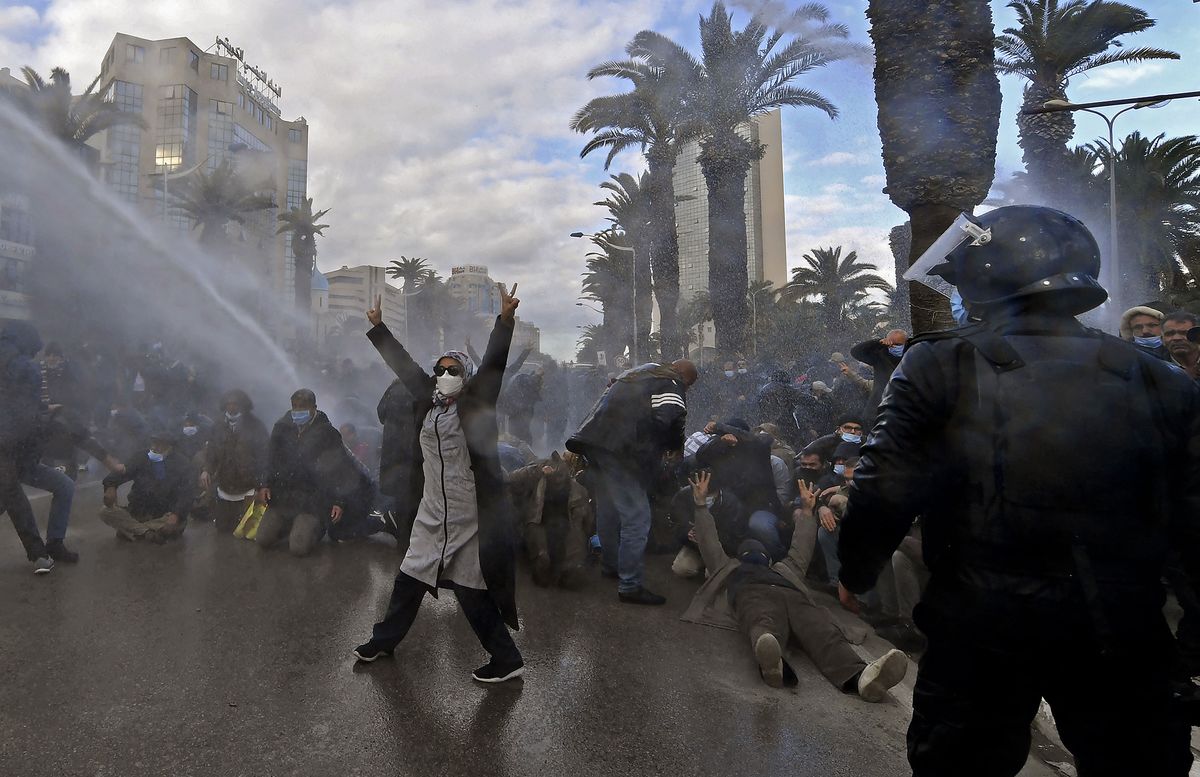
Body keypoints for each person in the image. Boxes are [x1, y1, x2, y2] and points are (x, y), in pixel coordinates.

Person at [838, 205, 1200, 776]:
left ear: (987, 278)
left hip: (981, 623)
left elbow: (884, 482)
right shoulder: (1159, 377)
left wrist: (856, 570)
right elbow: (1192, 514)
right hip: (1121, 623)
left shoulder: (939, 362)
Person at [354, 285, 525, 684]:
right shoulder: (427, 402)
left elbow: (495, 366)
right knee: (409, 576)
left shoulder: (477, 402)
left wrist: (505, 321)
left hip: (468, 513)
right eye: (441, 370)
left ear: (466, 375)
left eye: (453, 370)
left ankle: (506, 658)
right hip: (432, 509)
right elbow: (403, 365)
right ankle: (384, 641)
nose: (445, 376)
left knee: (470, 588)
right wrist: (378, 328)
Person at [681, 471, 908, 698]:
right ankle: (774, 664)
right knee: (761, 621)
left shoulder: (785, 569)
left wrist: (808, 512)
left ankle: (863, 678)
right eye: (748, 553)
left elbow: (802, 546)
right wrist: (700, 506)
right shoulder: (729, 568)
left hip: (794, 597)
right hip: (752, 593)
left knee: (822, 630)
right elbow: (709, 542)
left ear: (768, 560)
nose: (754, 555)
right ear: (740, 557)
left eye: (758, 553)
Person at [567, 356, 698, 605]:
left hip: (596, 445)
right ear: (684, 376)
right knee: (637, 518)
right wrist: (674, 446)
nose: (687, 390)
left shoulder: (637, 373)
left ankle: (611, 565)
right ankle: (630, 585)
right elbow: (670, 415)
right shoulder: (671, 381)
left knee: (608, 509)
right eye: (689, 384)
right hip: (621, 450)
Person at [257, 389, 357, 557]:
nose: (297, 411)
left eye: (303, 407)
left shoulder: (328, 433)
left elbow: (340, 469)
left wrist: (339, 501)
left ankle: (316, 528)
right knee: (262, 540)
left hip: (313, 500)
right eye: (294, 406)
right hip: (283, 496)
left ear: (314, 408)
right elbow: (270, 458)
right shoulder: (281, 427)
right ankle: (290, 526)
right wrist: (265, 484)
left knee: (298, 548)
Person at [0, 321, 56, 572]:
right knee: (12, 494)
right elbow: (27, 410)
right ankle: (38, 554)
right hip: (8, 440)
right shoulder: (27, 367)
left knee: (6, 491)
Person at [506, 452, 591, 588]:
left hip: (565, 530)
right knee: (542, 564)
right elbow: (512, 478)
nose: (559, 473)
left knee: (573, 575)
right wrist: (538, 470)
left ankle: (563, 569)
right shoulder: (539, 476)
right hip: (539, 524)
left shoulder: (579, 491)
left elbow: (586, 524)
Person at [100, 430, 193, 543]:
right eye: (153, 443)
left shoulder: (183, 464)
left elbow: (186, 494)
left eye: (159, 444)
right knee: (105, 512)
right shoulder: (142, 456)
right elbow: (122, 471)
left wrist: (176, 515)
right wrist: (111, 486)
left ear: (169, 447)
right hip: (138, 512)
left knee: (174, 524)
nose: (154, 447)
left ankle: (133, 530)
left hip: (164, 515)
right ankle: (145, 532)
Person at [202, 390, 269, 534]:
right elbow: (212, 450)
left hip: (249, 486)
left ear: (244, 405)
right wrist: (206, 470)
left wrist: (263, 485)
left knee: (245, 531)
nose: (232, 407)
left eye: (235, 404)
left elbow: (264, 457)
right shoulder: (218, 425)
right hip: (225, 485)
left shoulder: (256, 426)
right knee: (223, 529)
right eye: (229, 404)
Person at [850, 329, 908, 427]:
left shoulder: (912, 358)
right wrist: (878, 342)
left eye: (897, 344)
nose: (893, 347)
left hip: (903, 413)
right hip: (877, 412)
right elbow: (856, 352)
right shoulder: (880, 356)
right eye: (891, 344)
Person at [1163, 311, 1200, 381]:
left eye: (1184, 333)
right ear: (1162, 339)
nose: (1176, 338)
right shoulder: (1154, 368)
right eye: (1169, 334)